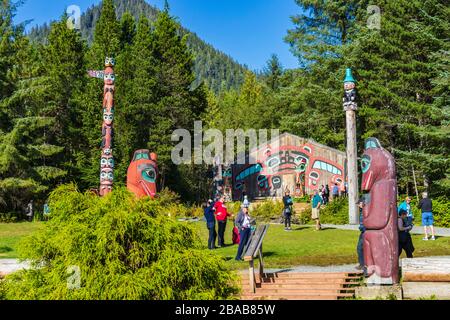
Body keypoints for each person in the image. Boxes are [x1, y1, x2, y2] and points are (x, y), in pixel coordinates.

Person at [356, 199, 366, 272]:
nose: (358, 205)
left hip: (365, 232)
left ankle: (362, 264)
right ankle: (362, 263)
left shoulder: (365, 211)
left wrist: (361, 228)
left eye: (359, 204)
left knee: (360, 248)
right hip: (363, 231)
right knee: (360, 248)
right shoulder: (362, 211)